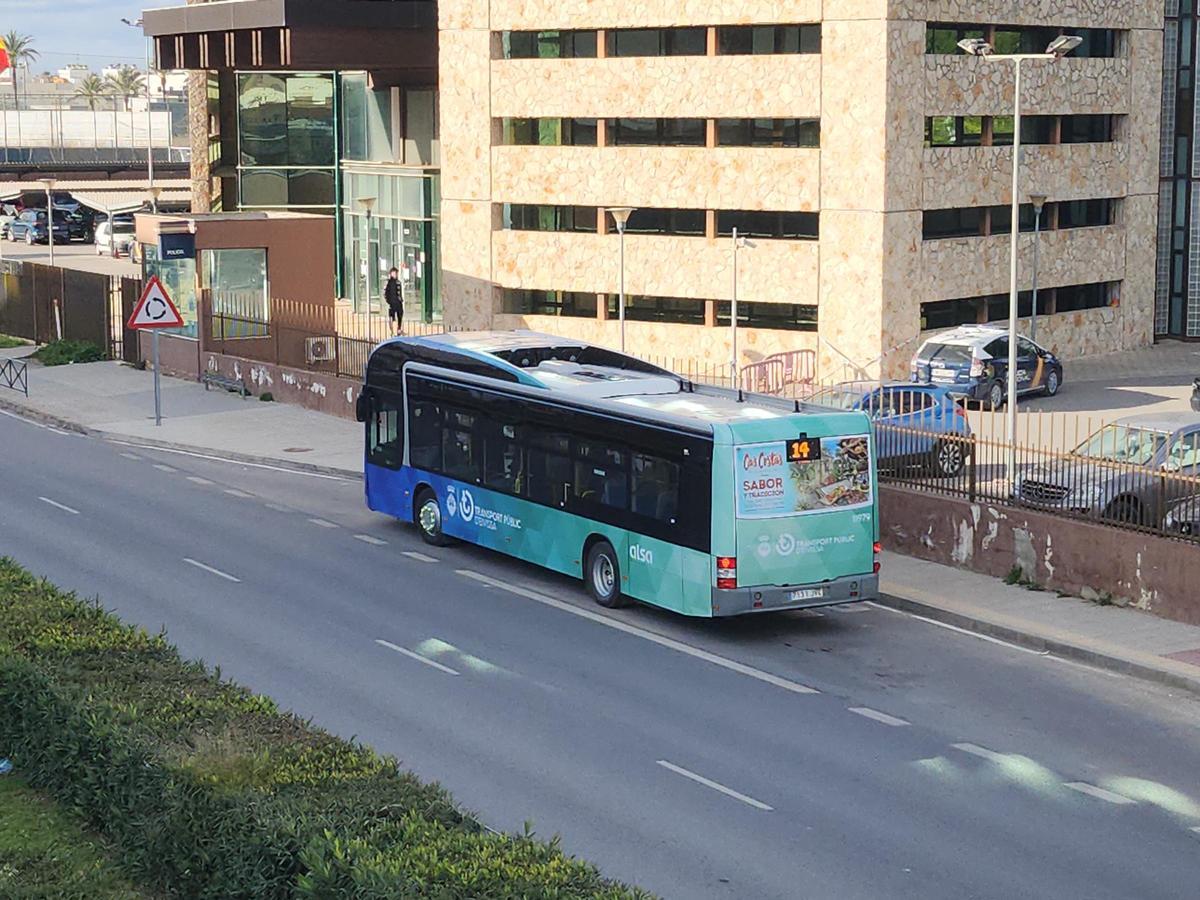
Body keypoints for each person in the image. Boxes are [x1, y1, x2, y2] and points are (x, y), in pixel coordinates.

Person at [384, 267, 403, 335]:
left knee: (400, 315)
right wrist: (388, 301)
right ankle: (391, 330)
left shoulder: (398, 282)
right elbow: (385, 293)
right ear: (391, 274)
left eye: (396, 273)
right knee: (392, 317)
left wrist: (400, 299)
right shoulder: (388, 282)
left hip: (398, 302)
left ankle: (399, 329)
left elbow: (399, 292)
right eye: (394, 273)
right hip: (392, 302)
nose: (395, 275)